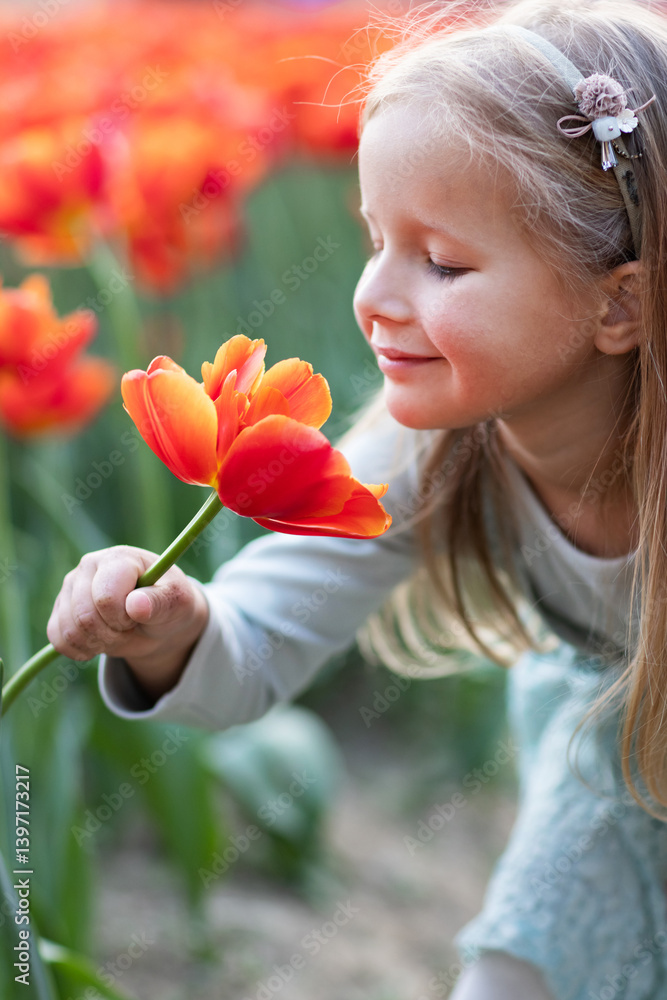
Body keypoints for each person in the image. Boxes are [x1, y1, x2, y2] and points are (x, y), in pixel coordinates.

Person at [46, 1, 667, 996]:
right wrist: (167, 623)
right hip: (605, 750)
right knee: (521, 964)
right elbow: (257, 635)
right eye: (375, 239)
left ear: (620, 302)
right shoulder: (425, 451)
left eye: (443, 262)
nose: (372, 296)